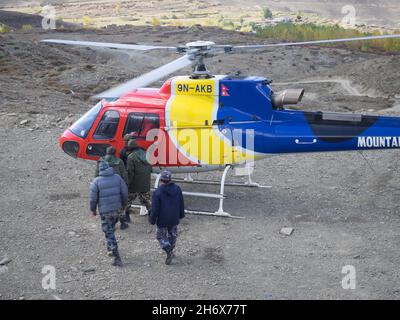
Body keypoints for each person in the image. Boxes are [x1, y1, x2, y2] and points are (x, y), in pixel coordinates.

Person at [89, 161, 128, 267]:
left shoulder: (96, 181)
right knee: (111, 227)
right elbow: (124, 192)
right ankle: (110, 248)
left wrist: (93, 210)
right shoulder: (117, 177)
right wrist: (124, 205)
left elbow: (93, 199)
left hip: (105, 211)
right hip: (118, 210)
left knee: (109, 232)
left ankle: (117, 257)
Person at [149, 170, 185, 265]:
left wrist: (152, 220)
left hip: (162, 219)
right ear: (170, 179)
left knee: (160, 236)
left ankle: (167, 248)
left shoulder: (158, 192)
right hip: (174, 217)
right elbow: (181, 203)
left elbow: (155, 209)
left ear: (161, 180)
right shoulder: (177, 189)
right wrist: (181, 215)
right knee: (173, 234)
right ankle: (171, 250)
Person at [124, 139, 152, 224]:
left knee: (128, 201)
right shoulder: (146, 153)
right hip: (145, 181)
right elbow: (150, 168)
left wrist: (127, 184)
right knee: (147, 200)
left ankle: (126, 217)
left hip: (135, 184)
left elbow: (130, 172)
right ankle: (152, 217)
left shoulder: (131, 157)